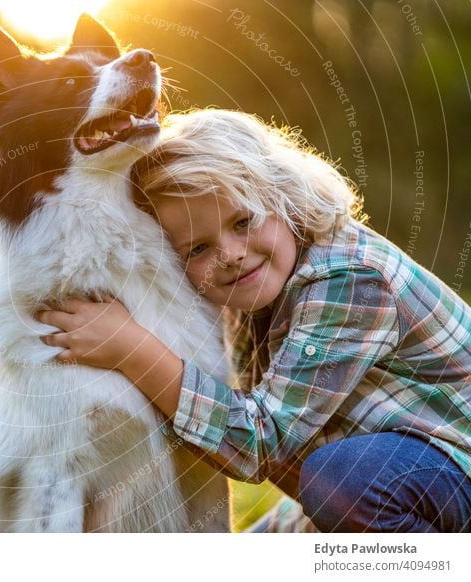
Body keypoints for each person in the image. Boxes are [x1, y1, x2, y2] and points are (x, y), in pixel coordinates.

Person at [34, 109, 471, 532]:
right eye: (197, 249)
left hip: (453, 471)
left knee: (342, 479)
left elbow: (261, 443)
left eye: (243, 221)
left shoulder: (350, 281)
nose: (229, 254)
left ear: (283, 196)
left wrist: (134, 351)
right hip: (408, 481)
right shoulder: (253, 301)